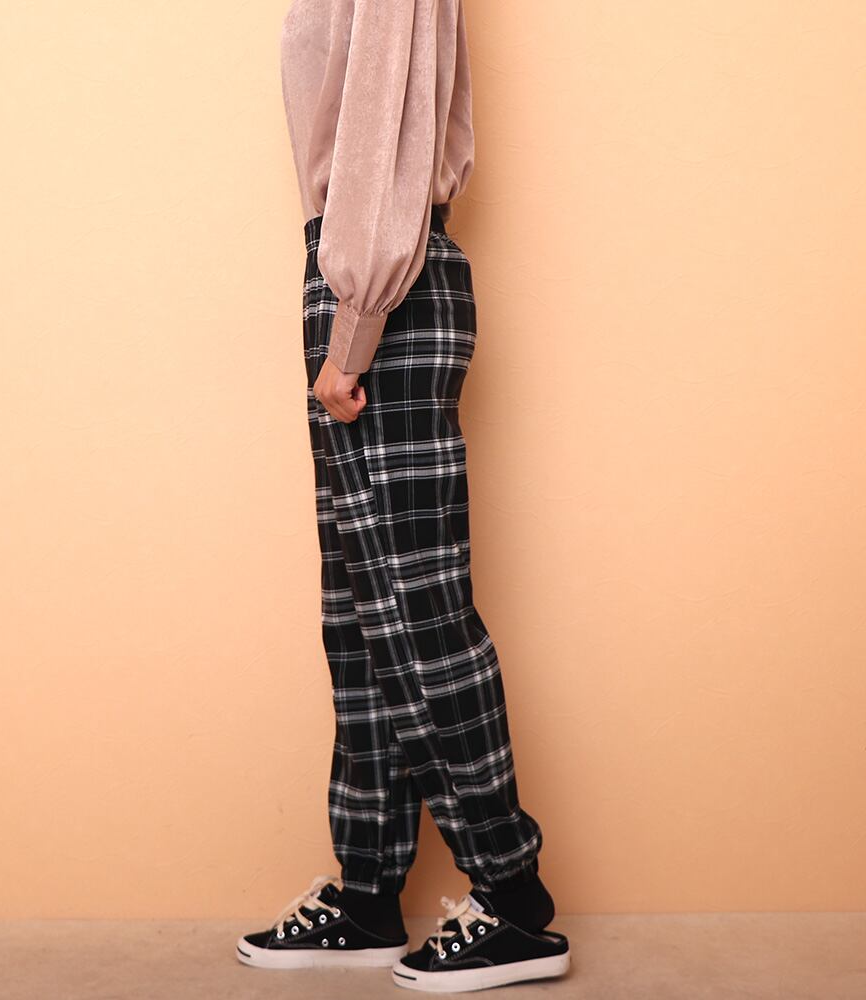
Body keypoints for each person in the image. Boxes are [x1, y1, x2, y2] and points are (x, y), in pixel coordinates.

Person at [235, 1, 572, 990]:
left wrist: (354, 325)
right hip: (360, 286)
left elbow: (384, 127)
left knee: (418, 615)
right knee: (361, 620)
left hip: (384, 291)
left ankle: (513, 900)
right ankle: (369, 894)